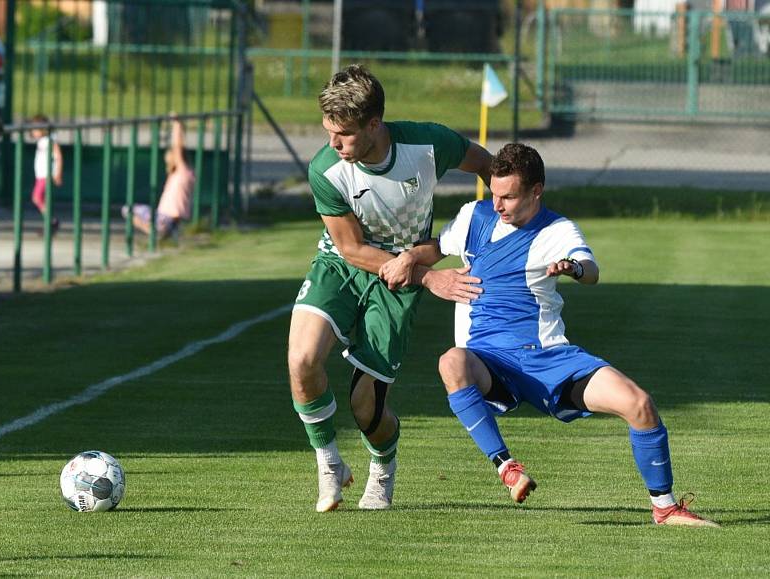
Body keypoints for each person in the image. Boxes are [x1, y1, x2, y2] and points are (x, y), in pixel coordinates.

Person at [379, 143, 718, 527]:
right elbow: (437, 248)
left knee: (639, 404)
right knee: (450, 361)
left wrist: (572, 268)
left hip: (549, 359)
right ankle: (507, 468)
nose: (499, 205)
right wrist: (409, 258)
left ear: (536, 191)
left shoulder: (557, 230)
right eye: (494, 193)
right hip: (488, 361)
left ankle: (666, 507)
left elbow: (591, 270)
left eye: (508, 196)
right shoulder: (475, 216)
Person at [289, 64, 490, 512]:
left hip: (397, 283)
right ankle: (329, 464)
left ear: (374, 124)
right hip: (342, 265)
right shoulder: (326, 169)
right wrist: (429, 275)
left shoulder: (427, 143)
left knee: (366, 409)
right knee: (302, 360)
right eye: (327, 132)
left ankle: (382, 468)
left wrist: (505, 223)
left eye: (342, 135)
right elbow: (352, 248)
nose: (332, 144)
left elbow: (489, 167)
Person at [122, 115, 195, 239]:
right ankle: (159, 232)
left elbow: (177, 147)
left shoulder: (183, 172)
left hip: (167, 217)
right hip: (171, 218)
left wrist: (177, 125)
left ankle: (156, 232)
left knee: (127, 210)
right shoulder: (184, 174)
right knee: (130, 211)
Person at [30, 114, 63, 234]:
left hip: (46, 175)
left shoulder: (48, 140)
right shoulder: (41, 141)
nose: (32, 132)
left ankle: (51, 221)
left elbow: (58, 155)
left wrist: (58, 173)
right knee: (41, 199)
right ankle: (49, 223)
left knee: (36, 197)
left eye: (35, 129)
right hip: (41, 175)